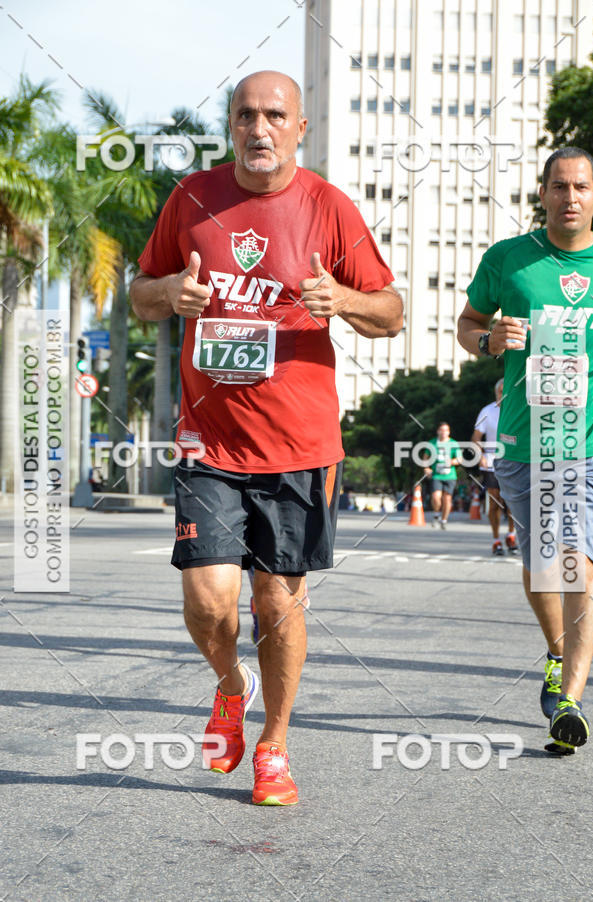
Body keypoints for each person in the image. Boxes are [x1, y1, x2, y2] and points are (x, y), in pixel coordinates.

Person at [130, 70, 403, 804]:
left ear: (299, 128)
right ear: (230, 123)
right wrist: (170, 296)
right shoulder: (192, 199)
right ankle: (229, 684)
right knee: (207, 599)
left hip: (299, 447)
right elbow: (139, 292)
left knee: (278, 602)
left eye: (275, 115)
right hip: (209, 444)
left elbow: (392, 309)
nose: (260, 128)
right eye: (246, 115)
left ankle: (274, 746)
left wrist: (341, 299)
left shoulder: (327, 208)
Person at [457, 146, 593, 754]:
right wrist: (491, 338)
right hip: (523, 441)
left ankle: (569, 697)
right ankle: (554, 652)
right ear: (542, 195)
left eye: (582, 187)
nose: (570, 197)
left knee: (582, 556)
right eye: (559, 186)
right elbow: (466, 325)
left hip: (590, 443)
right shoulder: (508, 260)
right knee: (544, 561)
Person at [472, 379, 518, 556]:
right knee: (495, 503)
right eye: (499, 391)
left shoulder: (517, 409)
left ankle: (511, 535)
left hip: (515, 461)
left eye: (505, 391)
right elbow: (476, 438)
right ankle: (496, 540)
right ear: (495, 393)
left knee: (513, 504)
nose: (502, 394)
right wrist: (480, 456)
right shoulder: (487, 411)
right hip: (491, 462)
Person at [423, 422, 461, 529]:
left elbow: (459, 459)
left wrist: (451, 461)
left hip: (450, 475)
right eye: (442, 430)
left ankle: (444, 520)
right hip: (436, 475)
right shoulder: (432, 443)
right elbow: (426, 457)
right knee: (436, 497)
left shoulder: (453, 443)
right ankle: (436, 514)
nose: (444, 432)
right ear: (438, 431)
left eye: (446, 430)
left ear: (449, 432)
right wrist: (426, 468)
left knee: (447, 499)